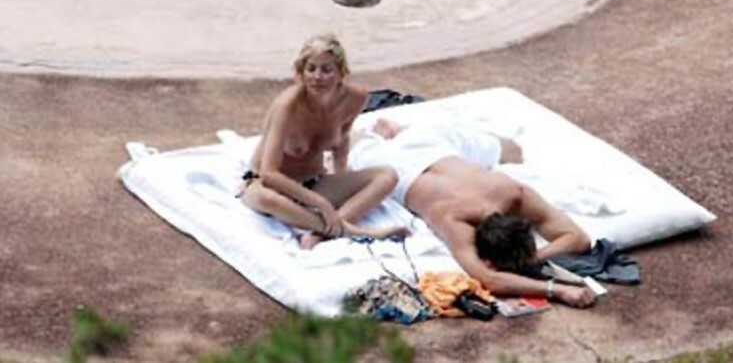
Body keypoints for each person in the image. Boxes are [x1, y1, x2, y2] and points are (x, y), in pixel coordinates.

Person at [349, 119, 597, 308]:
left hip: (431, 147)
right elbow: (490, 279)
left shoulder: (511, 193)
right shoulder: (456, 218)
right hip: (401, 161)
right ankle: (389, 132)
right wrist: (556, 289)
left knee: (513, 150)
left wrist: (535, 257)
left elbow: (579, 239)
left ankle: (392, 130)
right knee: (354, 139)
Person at [239, 34, 408, 249]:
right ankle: (350, 231)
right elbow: (268, 173)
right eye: (311, 69)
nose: (317, 77)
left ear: (340, 72)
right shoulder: (287, 105)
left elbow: (342, 140)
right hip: (268, 186)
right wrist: (321, 203)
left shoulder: (355, 97)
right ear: (301, 71)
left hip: (314, 182)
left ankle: (320, 233)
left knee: (387, 176)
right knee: (266, 199)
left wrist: (341, 176)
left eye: (326, 70)